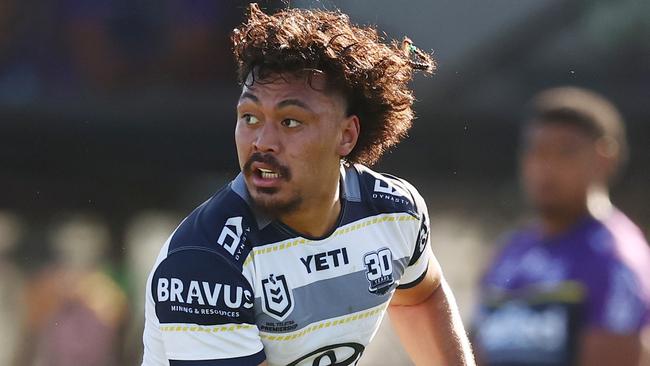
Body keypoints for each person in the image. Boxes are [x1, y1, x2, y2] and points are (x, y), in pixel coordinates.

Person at [142, 4, 475, 366]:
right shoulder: (204, 260)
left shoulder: (395, 213)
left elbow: (421, 297)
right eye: (250, 117)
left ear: (346, 135)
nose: (262, 142)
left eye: (290, 122)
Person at [472, 87, 650, 365]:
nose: (545, 166)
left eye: (565, 152)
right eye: (536, 151)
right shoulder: (511, 251)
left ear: (605, 157)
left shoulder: (614, 259)